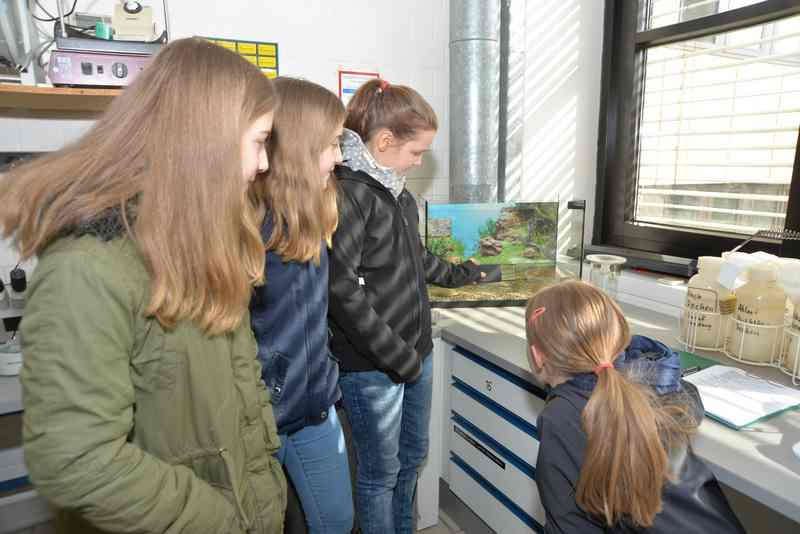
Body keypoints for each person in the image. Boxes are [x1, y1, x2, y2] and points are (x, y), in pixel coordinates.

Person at [0, 38, 286, 534]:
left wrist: (264, 495)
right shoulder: (88, 268)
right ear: (206, 141)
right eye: (260, 141)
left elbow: (243, 385)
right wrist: (219, 518)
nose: (263, 165)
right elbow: (78, 462)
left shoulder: (198, 244)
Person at [328, 78, 483, 534]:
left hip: (415, 355)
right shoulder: (350, 194)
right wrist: (396, 356)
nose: (419, 163)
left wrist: (465, 274)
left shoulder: (398, 193)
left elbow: (416, 259)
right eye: (416, 153)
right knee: (379, 474)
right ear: (383, 141)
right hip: (374, 365)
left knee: (412, 459)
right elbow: (340, 289)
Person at [525, 281, 745, 534]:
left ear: (538, 356)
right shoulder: (656, 386)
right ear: (618, 343)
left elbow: (568, 524)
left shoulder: (561, 417)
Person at [249, 77, 353, 533]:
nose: (340, 157)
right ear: (298, 147)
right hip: (263, 420)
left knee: (336, 521)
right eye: (332, 143)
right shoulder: (247, 230)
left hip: (315, 411)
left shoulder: (312, 221)